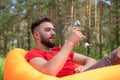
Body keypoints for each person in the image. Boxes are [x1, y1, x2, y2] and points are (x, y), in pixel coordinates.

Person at [25, 17, 120, 77]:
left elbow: (90, 60)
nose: (53, 33)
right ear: (36, 35)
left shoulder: (59, 50)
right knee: (114, 57)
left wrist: (84, 68)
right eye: (48, 30)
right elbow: (50, 70)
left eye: (53, 30)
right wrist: (69, 43)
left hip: (86, 74)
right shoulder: (34, 53)